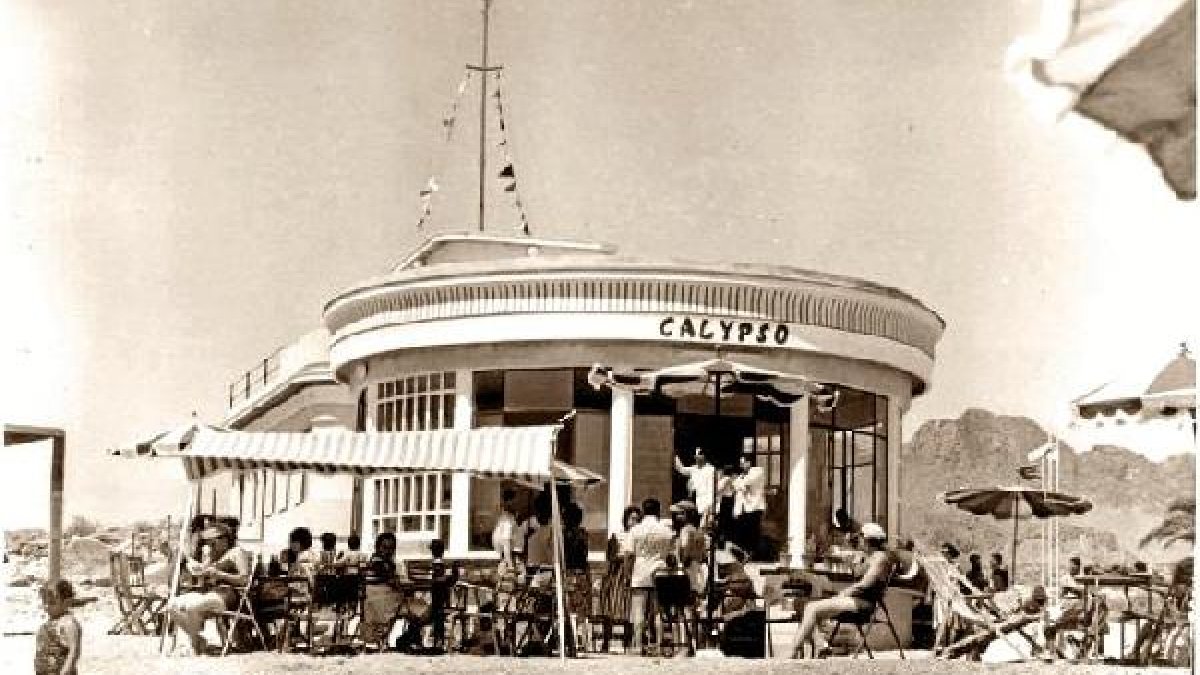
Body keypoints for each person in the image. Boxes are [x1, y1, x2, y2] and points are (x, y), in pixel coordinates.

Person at [791, 522, 894, 658]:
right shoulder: (869, 556)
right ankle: (820, 646)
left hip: (864, 604)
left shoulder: (880, 558)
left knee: (812, 607)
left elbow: (865, 584)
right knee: (804, 604)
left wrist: (844, 593)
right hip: (855, 600)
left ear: (868, 540)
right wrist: (855, 562)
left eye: (860, 538)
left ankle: (793, 652)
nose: (858, 541)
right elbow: (857, 573)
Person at [166, 522, 251, 655]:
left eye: (212, 542)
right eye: (208, 542)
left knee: (192, 607)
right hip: (209, 593)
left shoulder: (237, 552)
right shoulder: (214, 556)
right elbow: (206, 576)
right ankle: (198, 639)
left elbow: (244, 580)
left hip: (228, 595)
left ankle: (195, 644)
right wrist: (199, 570)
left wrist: (219, 574)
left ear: (225, 539)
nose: (210, 545)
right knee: (172, 606)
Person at [628, 498, 675, 655]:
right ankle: (659, 644)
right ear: (658, 511)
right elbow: (670, 555)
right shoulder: (666, 531)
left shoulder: (635, 530)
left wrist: (628, 574)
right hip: (659, 572)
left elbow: (629, 553)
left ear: (643, 511)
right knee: (657, 612)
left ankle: (638, 645)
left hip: (640, 572)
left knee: (638, 611)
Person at [598, 505, 640, 652]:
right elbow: (610, 555)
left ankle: (627, 643)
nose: (634, 521)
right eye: (632, 518)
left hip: (633, 572)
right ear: (626, 519)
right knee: (611, 607)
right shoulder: (618, 534)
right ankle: (605, 641)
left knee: (629, 608)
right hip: (617, 572)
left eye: (637, 519)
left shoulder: (639, 536)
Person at [34, 579, 82, 675]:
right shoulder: (50, 622)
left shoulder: (68, 623)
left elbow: (74, 651)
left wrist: (65, 671)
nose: (47, 606)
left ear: (67, 602)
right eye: (44, 602)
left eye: (52, 603)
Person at [733, 455, 765, 559]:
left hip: (755, 506)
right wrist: (740, 483)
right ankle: (746, 554)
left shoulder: (757, 471)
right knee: (745, 531)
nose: (741, 466)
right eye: (740, 463)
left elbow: (746, 483)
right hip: (745, 507)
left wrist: (740, 482)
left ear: (749, 463)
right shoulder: (743, 475)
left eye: (743, 463)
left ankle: (754, 554)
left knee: (753, 531)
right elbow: (735, 485)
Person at [673, 448, 716, 526]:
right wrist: (675, 455)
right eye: (695, 456)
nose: (696, 458)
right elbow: (681, 469)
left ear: (704, 456)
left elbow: (712, 489)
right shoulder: (694, 468)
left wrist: (711, 507)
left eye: (699, 455)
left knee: (703, 526)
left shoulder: (710, 469)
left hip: (706, 502)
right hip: (694, 500)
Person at [492, 488, 519, 574]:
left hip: (504, 555)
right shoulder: (507, 520)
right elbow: (505, 542)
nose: (516, 504)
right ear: (509, 501)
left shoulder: (504, 518)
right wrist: (510, 564)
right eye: (514, 501)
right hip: (505, 557)